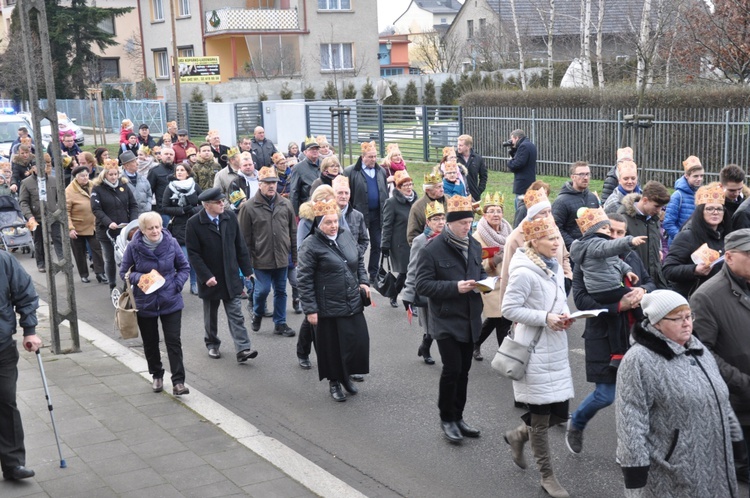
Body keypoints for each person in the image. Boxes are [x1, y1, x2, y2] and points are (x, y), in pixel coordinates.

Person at [616, 290, 741, 498]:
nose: (687, 323)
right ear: (657, 323)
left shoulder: (698, 349)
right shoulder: (638, 360)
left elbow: (720, 397)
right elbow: (630, 418)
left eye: (689, 316)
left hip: (716, 460)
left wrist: (735, 439)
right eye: (677, 318)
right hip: (673, 468)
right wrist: (635, 470)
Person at [567, 212, 655, 456]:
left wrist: (640, 291)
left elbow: (651, 282)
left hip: (635, 334)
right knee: (605, 396)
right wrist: (618, 307)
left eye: (619, 232)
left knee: (637, 399)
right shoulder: (585, 260)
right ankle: (577, 422)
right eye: (610, 231)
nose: (614, 236)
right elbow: (582, 301)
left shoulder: (631, 258)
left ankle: (628, 449)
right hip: (603, 334)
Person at [501, 215, 574, 498]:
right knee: (541, 420)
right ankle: (547, 476)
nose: (558, 243)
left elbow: (555, 303)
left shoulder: (553, 266)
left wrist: (565, 317)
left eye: (558, 238)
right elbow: (509, 308)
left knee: (560, 413)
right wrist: (545, 317)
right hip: (533, 351)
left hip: (554, 347)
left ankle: (519, 434)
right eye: (551, 239)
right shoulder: (524, 270)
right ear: (534, 241)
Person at [416, 195, 485, 444]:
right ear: (450, 223)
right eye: (464, 223)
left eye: (470, 222)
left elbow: (481, 271)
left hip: (470, 318)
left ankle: (459, 416)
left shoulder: (474, 245)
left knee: (464, 371)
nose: (468, 227)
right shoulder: (432, 249)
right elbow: (423, 285)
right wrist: (456, 287)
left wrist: (484, 283)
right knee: (452, 369)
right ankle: (447, 418)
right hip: (445, 320)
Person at [691, 228, 750, 484]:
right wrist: (742, 383)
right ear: (728, 257)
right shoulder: (707, 296)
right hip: (739, 401)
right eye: (749, 254)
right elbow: (702, 353)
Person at [297, 198, 371, 402]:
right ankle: (335, 382)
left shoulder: (345, 235)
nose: (333, 226)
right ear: (319, 224)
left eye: (335, 221)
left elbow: (359, 260)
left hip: (351, 300)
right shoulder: (310, 246)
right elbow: (303, 280)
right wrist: (310, 309)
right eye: (328, 222)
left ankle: (346, 376)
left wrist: (364, 282)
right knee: (332, 348)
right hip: (327, 306)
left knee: (355, 342)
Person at [120, 212, 190, 395]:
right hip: (145, 301)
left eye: (157, 227)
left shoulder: (171, 242)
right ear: (142, 230)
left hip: (170, 299)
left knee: (173, 341)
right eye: (150, 228)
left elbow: (184, 267)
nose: (155, 231)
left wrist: (176, 285)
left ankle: (178, 382)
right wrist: (140, 277)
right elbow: (124, 272)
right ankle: (157, 375)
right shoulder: (134, 247)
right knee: (150, 342)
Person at [185, 188, 258, 363]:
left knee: (236, 314)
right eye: (218, 202)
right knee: (211, 315)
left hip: (230, 275)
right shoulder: (194, 223)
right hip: (211, 278)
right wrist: (205, 276)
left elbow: (240, 245)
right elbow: (193, 254)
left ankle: (243, 349)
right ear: (207, 205)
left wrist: (248, 271)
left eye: (222, 201)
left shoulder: (229, 217)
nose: (222, 204)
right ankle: (212, 344)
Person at [238, 166, 297, 337]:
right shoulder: (248, 207)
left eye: (274, 183)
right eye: (267, 183)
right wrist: (246, 264)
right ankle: (257, 313)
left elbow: (292, 231)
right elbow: (244, 238)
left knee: (281, 290)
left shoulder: (285, 204)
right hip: (260, 258)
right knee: (262, 290)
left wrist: (294, 255)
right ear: (259, 184)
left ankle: (280, 323)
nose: (272, 186)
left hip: (282, 256)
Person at [0, 250, 41, 481]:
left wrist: (30, 330)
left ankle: (13, 464)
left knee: (6, 401)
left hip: (2, 346)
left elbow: (25, 294)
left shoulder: (3, 261)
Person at [570, 207, 647, 306]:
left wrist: (628, 272)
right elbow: (609, 246)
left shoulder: (632, 255)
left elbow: (617, 261)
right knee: (633, 296)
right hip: (605, 291)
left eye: (620, 232)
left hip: (610, 289)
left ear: (625, 233)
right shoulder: (595, 244)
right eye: (606, 228)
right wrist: (629, 241)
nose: (611, 234)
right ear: (592, 231)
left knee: (637, 294)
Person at [663, 184, 728, 298]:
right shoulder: (687, 236)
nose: (715, 212)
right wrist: (694, 270)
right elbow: (668, 270)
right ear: (700, 211)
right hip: (693, 297)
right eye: (709, 208)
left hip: (718, 298)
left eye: (719, 209)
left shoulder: (725, 236)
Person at [401, 201, 446, 365]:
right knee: (432, 325)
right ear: (428, 222)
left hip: (446, 287)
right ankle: (426, 347)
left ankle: (426, 346)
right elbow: (413, 267)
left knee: (443, 324)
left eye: (442, 218)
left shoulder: (450, 237)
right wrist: (408, 294)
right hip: (428, 288)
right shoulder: (421, 241)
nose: (440, 222)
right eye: (435, 219)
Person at [471, 192, 512, 360]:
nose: (496, 214)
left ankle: (475, 343)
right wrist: (493, 261)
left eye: (499, 210)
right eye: (491, 211)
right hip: (491, 283)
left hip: (509, 281)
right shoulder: (477, 236)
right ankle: (505, 356)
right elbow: (477, 266)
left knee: (497, 319)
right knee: (502, 318)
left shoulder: (509, 231)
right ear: (485, 214)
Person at [343, 141, 388, 283]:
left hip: (377, 214)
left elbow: (384, 191)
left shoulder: (381, 171)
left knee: (377, 244)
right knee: (356, 242)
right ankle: (354, 270)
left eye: (375, 156)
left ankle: (373, 273)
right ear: (363, 157)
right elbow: (347, 193)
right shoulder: (351, 171)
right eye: (370, 157)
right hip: (358, 214)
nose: (373, 159)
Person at [91, 159, 140, 291]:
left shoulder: (124, 187)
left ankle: (127, 283)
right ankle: (112, 284)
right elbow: (96, 209)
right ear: (104, 175)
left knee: (126, 257)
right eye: (110, 174)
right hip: (106, 229)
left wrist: (133, 222)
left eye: (115, 174)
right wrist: (108, 222)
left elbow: (133, 205)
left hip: (124, 229)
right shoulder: (98, 189)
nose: (113, 177)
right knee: (109, 258)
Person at [618, 181, 672, 289]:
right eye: (656, 206)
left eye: (661, 207)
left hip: (654, 280)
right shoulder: (623, 219)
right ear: (645, 200)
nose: (659, 211)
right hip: (634, 280)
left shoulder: (653, 218)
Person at [19, 154, 64, 273]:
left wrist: (58, 208)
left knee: (58, 238)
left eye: (43, 165)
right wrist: (30, 216)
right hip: (37, 218)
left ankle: (62, 261)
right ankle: (41, 263)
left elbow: (59, 197)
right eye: (37, 166)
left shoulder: (53, 180)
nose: (41, 168)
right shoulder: (26, 183)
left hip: (53, 215)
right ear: (33, 168)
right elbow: (23, 202)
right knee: (39, 241)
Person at [162, 163, 202, 295]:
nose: (179, 172)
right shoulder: (170, 188)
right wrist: (182, 210)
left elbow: (204, 204)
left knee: (194, 257)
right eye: (177, 170)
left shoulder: (194, 186)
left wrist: (193, 209)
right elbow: (165, 207)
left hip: (195, 224)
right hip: (179, 226)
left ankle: (194, 283)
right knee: (184, 259)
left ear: (188, 172)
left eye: (182, 170)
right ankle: (176, 283)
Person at [381, 170, 418, 308]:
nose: (409, 187)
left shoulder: (416, 200)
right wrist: (385, 245)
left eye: (410, 184)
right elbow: (387, 225)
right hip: (399, 244)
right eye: (405, 185)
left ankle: (397, 295)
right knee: (406, 273)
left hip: (414, 242)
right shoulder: (391, 203)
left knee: (412, 272)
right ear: (398, 187)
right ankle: (408, 302)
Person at [66, 165, 106, 284]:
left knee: (97, 249)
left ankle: (100, 273)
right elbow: (65, 212)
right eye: (82, 176)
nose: (85, 178)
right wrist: (70, 228)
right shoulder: (69, 191)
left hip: (93, 225)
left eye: (87, 175)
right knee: (79, 252)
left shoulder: (93, 186)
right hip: (77, 226)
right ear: (76, 177)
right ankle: (83, 274)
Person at [551, 161, 601, 251]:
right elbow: (556, 227)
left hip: (593, 249)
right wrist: (574, 246)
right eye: (581, 174)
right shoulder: (561, 201)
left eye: (587, 174)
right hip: (572, 252)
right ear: (573, 177)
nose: (585, 178)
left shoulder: (592, 198)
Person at [663, 155, 704, 246]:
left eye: (701, 176)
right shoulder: (677, 196)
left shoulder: (702, 194)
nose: (699, 179)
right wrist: (682, 238)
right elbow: (668, 223)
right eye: (695, 176)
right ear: (686, 176)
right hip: (679, 244)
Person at [407, 173, 446, 245]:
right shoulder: (417, 207)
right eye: (438, 187)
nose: (442, 190)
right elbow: (413, 235)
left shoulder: (449, 200)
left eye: (442, 186)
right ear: (428, 190)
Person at [506, 129, 537, 209]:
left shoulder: (523, 146)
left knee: (520, 207)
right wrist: (513, 150)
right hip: (529, 179)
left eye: (512, 139)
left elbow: (518, 163)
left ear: (517, 138)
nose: (511, 142)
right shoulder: (530, 145)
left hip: (523, 182)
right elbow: (521, 159)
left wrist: (509, 162)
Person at [147, 146, 177, 227]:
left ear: (174, 156)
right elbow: (149, 192)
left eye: (171, 154)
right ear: (161, 156)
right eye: (166, 154)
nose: (168, 156)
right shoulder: (155, 171)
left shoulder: (179, 169)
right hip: (163, 211)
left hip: (179, 210)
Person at [289, 139, 321, 213]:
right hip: (308, 208)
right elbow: (294, 191)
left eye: (316, 149)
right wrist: (295, 213)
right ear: (305, 152)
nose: (315, 151)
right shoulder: (298, 168)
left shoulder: (324, 164)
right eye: (312, 149)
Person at [456, 134, 488, 201]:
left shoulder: (478, 158)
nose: (458, 147)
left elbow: (484, 176)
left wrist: (479, 191)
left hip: (473, 195)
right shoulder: (454, 158)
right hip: (457, 194)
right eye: (458, 145)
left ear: (468, 146)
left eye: (461, 145)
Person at [121, 150, 153, 216]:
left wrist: (148, 207)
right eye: (134, 162)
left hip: (144, 214)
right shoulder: (120, 180)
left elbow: (149, 195)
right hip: (128, 215)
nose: (137, 163)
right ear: (126, 165)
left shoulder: (143, 179)